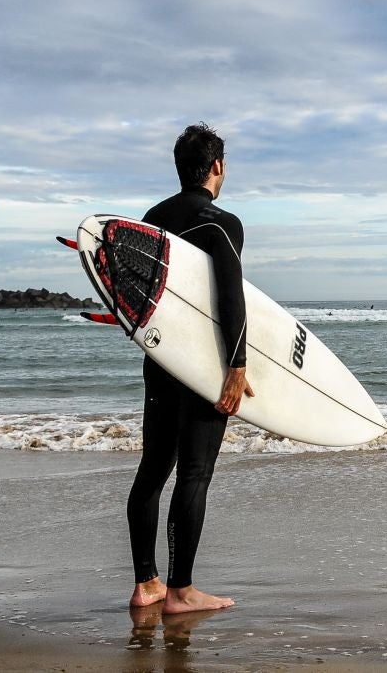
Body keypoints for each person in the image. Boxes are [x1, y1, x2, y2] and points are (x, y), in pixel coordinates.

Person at [127, 123, 253, 615]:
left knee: (152, 472)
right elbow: (230, 297)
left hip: (160, 361)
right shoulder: (221, 221)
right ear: (218, 166)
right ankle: (181, 591)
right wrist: (237, 365)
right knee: (195, 474)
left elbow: (139, 296)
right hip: (201, 365)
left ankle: (147, 584)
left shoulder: (151, 219)